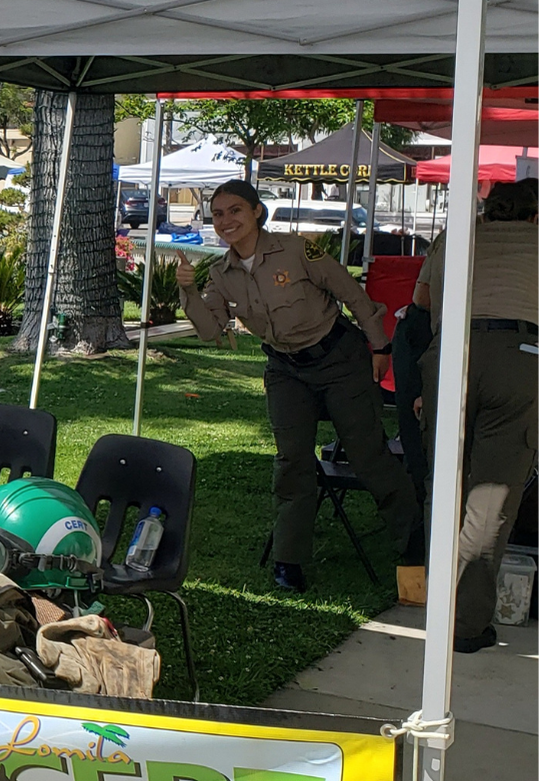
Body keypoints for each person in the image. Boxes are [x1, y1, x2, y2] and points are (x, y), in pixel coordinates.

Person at [179, 179, 423, 592]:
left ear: (257, 212)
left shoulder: (295, 250)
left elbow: (351, 293)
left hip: (339, 358)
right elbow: (209, 331)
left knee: (367, 455)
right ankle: (289, 560)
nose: (225, 221)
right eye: (217, 214)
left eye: (235, 210)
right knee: (292, 461)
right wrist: (187, 289)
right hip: (286, 369)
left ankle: (415, 541)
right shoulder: (221, 274)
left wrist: (380, 345)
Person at [412, 179, 538, 652]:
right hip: (518, 356)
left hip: (451, 351)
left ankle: (438, 610)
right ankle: (465, 624)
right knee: (491, 498)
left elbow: (423, 301)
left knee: (444, 486)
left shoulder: (456, 234)